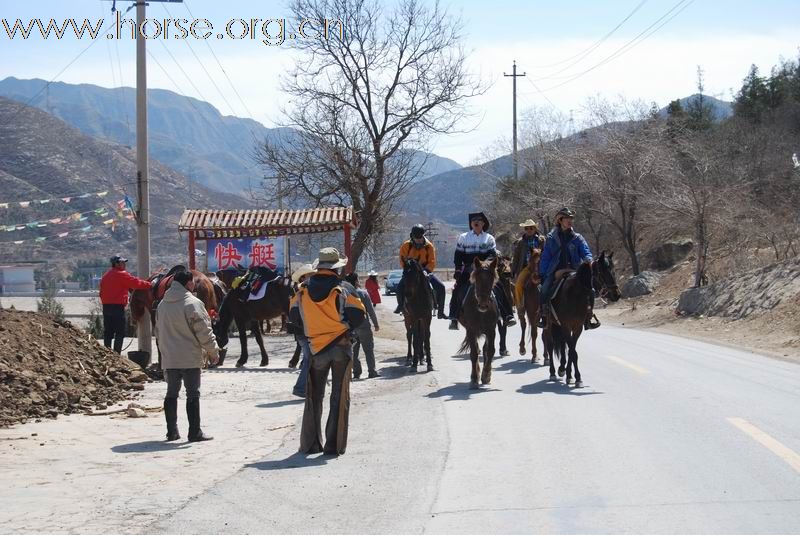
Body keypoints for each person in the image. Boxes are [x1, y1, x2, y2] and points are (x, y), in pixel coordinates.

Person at [289, 248, 366, 455]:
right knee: (339, 396)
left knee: (314, 396)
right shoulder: (345, 287)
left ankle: (311, 444)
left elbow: (294, 317)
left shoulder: (302, 289)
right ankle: (333, 445)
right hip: (341, 347)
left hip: (315, 349)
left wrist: (310, 330)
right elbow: (359, 316)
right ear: (336, 267)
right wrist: (346, 326)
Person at [154, 269, 220, 442]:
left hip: (170, 358)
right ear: (189, 283)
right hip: (189, 357)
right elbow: (204, 331)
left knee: (171, 393)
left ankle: (172, 432)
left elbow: (158, 332)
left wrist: (164, 351)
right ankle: (194, 432)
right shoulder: (193, 303)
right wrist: (213, 351)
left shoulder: (162, 304)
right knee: (192, 394)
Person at [448, 212, 516, 330]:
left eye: (479, 221)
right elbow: (458, 255)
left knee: (500, 287)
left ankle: (508, 315)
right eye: (474, 221)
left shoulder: (489, 238)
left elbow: (492, 254)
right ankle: (454, 317)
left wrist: (485, 265)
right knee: (457, 288)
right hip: (469, 268)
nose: (476, 222)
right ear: (471, 224)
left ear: (483, 224)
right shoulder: (463, 237)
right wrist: (458, 269)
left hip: (486, 269)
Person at [538, 207, 598, 330]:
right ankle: (543, 316)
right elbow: (546, 257)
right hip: (556, 270)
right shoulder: (551, 238)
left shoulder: (578, 238)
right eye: (566, 218)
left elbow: (585, 251)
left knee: (591, 290)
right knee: (544, 289)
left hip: (575, 270)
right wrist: (543, 273)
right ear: (560, 220)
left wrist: (588, 259)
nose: (569, 220)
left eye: (571, 218)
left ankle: (588, 316)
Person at [98, 255, 152, 354]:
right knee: (120, 332)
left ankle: (107, 353)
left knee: (108, 332)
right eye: (122, 262)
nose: (124, 264)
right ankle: (116, 355)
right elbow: (136, 283)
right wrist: (150, 284)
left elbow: (101, 293)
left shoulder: (106, 276)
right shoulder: (122, 274)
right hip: (117, 307)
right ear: (116, 264)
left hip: (106, 307)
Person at [394, 224, 447, 319]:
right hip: (410, 271)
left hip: (425, 270)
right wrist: (408, 269)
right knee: (399, 288)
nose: (418, 240)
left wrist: (426, 270)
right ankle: (400, 305)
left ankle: (440, 311)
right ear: (412, 236)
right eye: (416, 238)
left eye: (420, 237)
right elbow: (403, 260)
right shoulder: (406, 246)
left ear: (423, 235)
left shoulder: (429, 246)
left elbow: (432, 261)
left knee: (441, 287)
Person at [344, 272, 381, 379]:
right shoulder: (363, 293)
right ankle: (371, 371)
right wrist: (376, 324)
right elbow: (370, 310)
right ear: (356, 281)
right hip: (364, 326)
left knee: (354, 351)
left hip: (351, 327)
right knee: (368, 350)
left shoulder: (345, 294)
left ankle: (356, 372)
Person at [289, 264, 316, 398]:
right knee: (309, 359)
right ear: (304, 277)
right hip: (304, 333)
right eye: (310, 275)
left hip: (304, 333)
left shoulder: (302, 293)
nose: (313, 277)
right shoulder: (300, 294)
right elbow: (295, 317)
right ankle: (300, 388)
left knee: (309, 359)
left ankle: (307, 388)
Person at [511, 219, 545, 317]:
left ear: (535, 229)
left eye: (531, 228)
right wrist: (513, 270)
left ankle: (548, 306)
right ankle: (520, 307)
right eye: (527, 228)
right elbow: (516, 257)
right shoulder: (520, 242)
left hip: (540, 266)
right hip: (526, 267)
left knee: (549, 284)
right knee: (518, 285)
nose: (529, 230)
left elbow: (546, 253)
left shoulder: (541, 240)